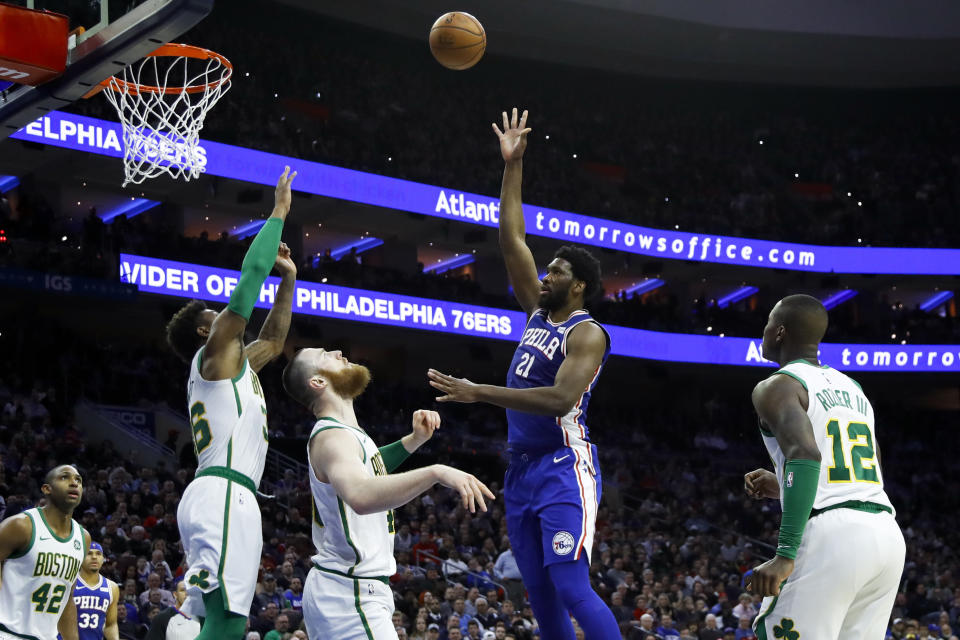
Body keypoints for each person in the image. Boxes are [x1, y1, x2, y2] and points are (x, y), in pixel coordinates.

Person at [427, 107, 617, 640]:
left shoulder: (587, 332)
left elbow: (559, 400)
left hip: (562, 463)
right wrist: (512, 167)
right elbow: (512, 240)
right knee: (538, 592)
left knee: (571, 584)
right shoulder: (537, 313)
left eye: (556, 271)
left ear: (577, 285)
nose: (546, 275)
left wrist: (478, 392)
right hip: (522, 469)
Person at [165, 167, 298, 640]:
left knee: (221, 620)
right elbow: (247, 284)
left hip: (225, 494)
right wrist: (279, 212)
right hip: (222, 493)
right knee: (228, 622)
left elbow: (276, 341)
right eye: (214, 314)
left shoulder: (236, 366)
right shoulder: (214, 354)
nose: (222, 314)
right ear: (206, 330)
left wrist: (291, 277)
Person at [281, 347, 495, 640]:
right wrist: (436, 472)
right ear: (318, 382)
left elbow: (368, 468)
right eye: (324, 354)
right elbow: (360, 494)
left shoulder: (343, 434)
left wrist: (413, 441)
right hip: (349, 593)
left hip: (347, 590)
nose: (338, 351)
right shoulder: (333, 437)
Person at [744, 294, 906, 639]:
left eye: (768, 323)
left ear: (780, 332)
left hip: (832, 538)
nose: (765, 330)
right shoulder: (854, 389)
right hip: (886, 535)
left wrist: (785, 554)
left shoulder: (777, 386)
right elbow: (870, 465)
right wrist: (784, 485)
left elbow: (804, 454)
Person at [0, 464, 91, 640]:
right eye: (64, 477)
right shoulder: (21, 525)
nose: (74, 483)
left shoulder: (83, 538)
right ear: (46, 489)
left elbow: (67, 597)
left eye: (78, 480)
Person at [70, 541, 120, 640]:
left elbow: (111, 625)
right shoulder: (69, 582)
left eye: (98, 554)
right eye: (89, 553)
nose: (94, 557)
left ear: (103, 559)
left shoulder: (112, 587)